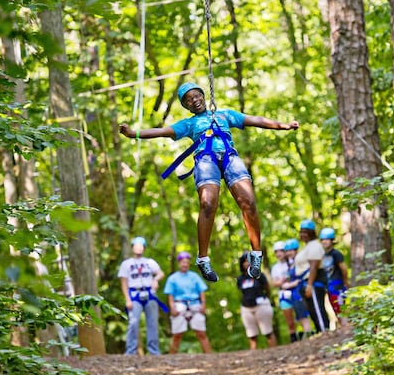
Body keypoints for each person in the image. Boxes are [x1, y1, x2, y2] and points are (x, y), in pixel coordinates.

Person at [120, 82, 299, 283]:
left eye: (196, 96)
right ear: (186, 106)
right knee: (207, 204)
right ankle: (203, 258)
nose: (194, 100)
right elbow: (160, 131)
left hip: (230, 157)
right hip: (206, 160)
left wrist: (282, 125)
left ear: (204, 96)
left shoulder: (224, 115)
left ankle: (256, 254)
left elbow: (254, 120)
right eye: (189, 100)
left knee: (248, 201)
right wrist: (133, 133)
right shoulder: (188, 124)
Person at [118, 237, 166, 355]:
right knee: (133, 323)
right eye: (136, 245)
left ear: (144, 248)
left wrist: (155, 279)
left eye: (141, 245)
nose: (139, 247)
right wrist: (127, 299)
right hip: (134, 295)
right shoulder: (126, 264)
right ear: (132, 247)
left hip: (150, 294)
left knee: (152, 323)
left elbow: (161, 273)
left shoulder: (150, 262)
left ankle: (154, 351)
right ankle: (130, 351)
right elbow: (124, 284)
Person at [163, 251, 212, 354]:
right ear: (179, 263)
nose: (184, 264)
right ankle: (171, 357)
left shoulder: (194, 276)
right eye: (183, 262)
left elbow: (201, 291)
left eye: (187, 262)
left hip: (195, 305)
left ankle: (210, 356)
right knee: (177, 334)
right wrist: (172, 308)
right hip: (179, 305)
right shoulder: (173, 278)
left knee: (201, 333)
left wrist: (203, 305)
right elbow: (170, 295)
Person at [236, 252, 277, 349]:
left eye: (249, 261)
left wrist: (266, 299)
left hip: (261, 305)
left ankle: (274, 350)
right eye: (245, 262)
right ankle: (253, 355)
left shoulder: (260, 275)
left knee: (268, 332)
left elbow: (267, 288)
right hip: (246, 307)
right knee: (251, 334)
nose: (246, 264)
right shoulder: (240, 279)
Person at [295, 220, 330, 333]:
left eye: (306, 232)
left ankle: (325, 331)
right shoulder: (307, 247)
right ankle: (320, 331)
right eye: (301, 232)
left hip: (313, 281)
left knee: (318, 308)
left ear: (311, 233)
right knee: (312, 310)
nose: (303, 235)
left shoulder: (314, 245)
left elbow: (314, 266)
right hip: (305, 282)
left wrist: (309, 285)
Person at [282, 238, 313, 340]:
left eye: (291, 250)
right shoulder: (292, 263)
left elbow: (302, 277)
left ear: (296, 250)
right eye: (287, 251)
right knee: (300, 316)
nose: (288, 253)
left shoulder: (300, 261)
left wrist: (289, 285)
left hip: (300, 292)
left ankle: (308, 335)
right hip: (295, 294)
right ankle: (307, 334)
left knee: (304, 316)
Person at [320, 227, 350, 329]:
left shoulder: (336, 254)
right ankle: (342, 327)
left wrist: (345, 282)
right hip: (329, 287)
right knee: (335, 309)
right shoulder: (323, 256)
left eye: (327, 239)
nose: (325, 242)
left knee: (341, 307)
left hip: (338, 286)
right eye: (323, 239)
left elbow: (343, 269)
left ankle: (345, 328)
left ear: (332, 241)